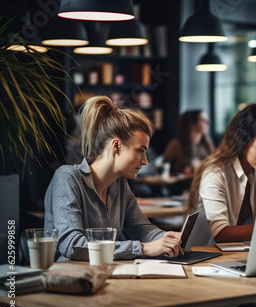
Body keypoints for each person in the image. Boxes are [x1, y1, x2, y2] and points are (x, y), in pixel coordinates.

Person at [44, 96, 183, 261]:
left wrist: (166, 238)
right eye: (140, 150)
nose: (145, 161)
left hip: (108, 274)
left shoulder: (119, 184)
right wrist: (143, 248)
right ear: (116, 145)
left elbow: (141, 229)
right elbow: (72, 245)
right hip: (71, 280)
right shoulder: (68, 177)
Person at [187, 103, 256, 245]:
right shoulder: (215, 173)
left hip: (237, 253)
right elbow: (221, 233)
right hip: (202, 256)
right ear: (242, 142)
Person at [163, 110, 214, 176]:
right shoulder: (175, 144)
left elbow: (214, 163)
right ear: (192, 124)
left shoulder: (207, 142)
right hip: (182, 183)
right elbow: (165, 168)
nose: (207, 123)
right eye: (203, 120)